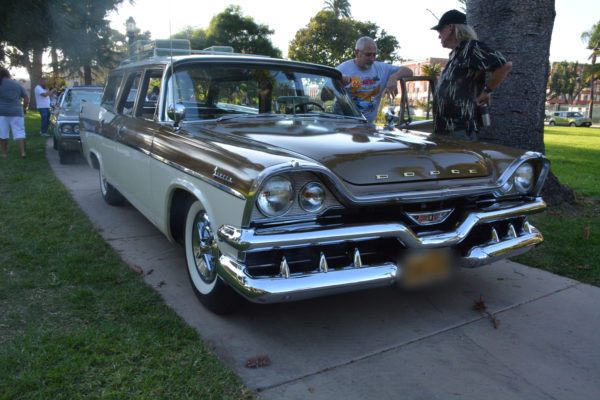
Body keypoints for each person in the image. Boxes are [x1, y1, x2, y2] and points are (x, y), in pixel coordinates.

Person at [431, 9, 512, 140]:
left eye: (440, 30)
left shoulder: (471, 48)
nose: (439, 36)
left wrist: (487, 90)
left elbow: (505, 65)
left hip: (460, 129)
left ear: (450, 28)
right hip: (444, 127)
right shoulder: (456, 53)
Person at [337, 37, 412, 123]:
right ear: (357, 53)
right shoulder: (341, 70)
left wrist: (394, 77)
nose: (372, 58)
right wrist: (338, 82)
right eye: (368, 55)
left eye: (374, 55)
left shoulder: (382, 69)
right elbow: (324, 97)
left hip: (367, 127)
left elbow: (409, 71)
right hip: (343, 125)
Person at [0, 68, 29, 158]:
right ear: (8, 74)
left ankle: (4, 153)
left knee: (3, 133)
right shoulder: (17, 84)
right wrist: (25, 108)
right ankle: (23, 152)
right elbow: (26, 97)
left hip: (2, 112)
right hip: (16, 111)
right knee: (20, 132)